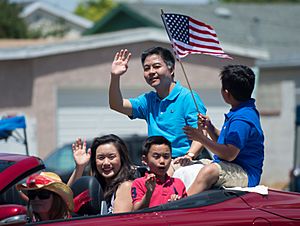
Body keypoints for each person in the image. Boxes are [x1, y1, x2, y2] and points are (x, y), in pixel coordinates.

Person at [109, 47, 207, 174]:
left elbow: (201, 133)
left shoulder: (187, 97)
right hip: (156, 164)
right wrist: (115, 76)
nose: (151, 72)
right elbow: (117, 105)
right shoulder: (148, 100)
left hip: (182, 163)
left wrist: (189, 155)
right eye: (146, 68)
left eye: (156, 66)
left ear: (171, 69)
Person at [183, 64, 264, 195]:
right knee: (186, 167)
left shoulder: (242, 119)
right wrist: (210, 128)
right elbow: (227, 145)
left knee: (209, 171)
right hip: (231, 165)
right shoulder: (241, 112)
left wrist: (201, 138)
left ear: (226, 93)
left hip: (246, 173)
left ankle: (179, 207)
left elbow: (229, 154)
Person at [67, 134, 135, 213]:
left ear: (121, 158)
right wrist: (80, 167)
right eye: (101, 158)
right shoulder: (96, 185)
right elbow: (67, 200)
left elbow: (118, 221)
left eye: (111, 157)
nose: (106, 162)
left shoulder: (126, 186)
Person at [131, 136, 187, 210]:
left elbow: (187, 209)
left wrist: (177, 205)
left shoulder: (178, 183)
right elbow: (136, 211)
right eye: (156, 157)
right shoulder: (139, 183)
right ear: (145, 159)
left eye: (166, 156)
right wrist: (149, 193)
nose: (162, 161)